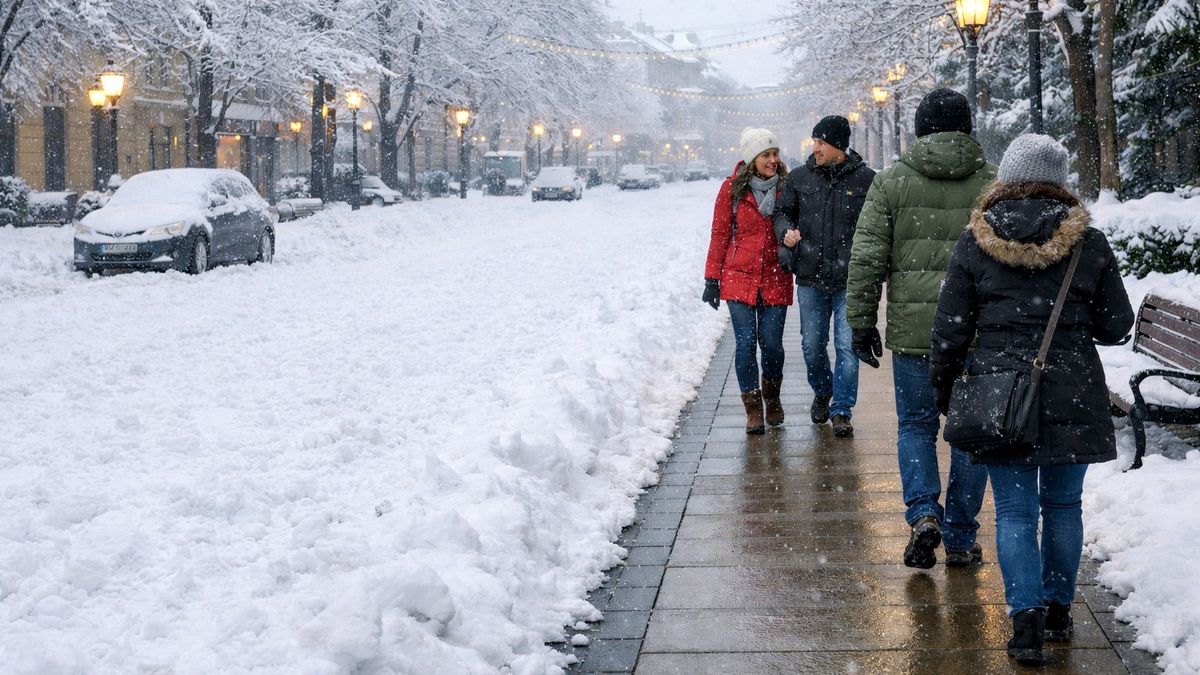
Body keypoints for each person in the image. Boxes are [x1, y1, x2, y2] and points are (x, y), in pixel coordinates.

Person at [929, 133, 1134, 664]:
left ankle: (1025, 623)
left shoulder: (976, 240)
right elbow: (1117, 327)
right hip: (1071, 388)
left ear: (1006, 178)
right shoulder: (1088, 242)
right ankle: (1059, 609)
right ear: (1061, 181)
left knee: (1016, 513)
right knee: (1064, 506)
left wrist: (945, 383)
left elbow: (951, 326)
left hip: (1001, 394)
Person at [845, 88, 995, 569]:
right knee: (972, 434)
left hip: (917, 333)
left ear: (918, 130)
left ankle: (924, 512)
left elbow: (866, 259)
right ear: (968, 128)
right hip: (979, 332)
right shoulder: (995, 184)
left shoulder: (891, 184)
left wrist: (861, 321)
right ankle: (959, 535)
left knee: (916, 425)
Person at [774, 115, 875, 437]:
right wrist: (785, 231)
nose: (814, 147)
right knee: (812, 346)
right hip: (810, 275)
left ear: (838, 146)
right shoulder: (800, 178)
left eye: (821, 142)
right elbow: (782, 212)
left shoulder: (867, 181)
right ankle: (822, 389)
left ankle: (842, 409)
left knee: (847, 347)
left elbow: (877, 225)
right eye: (814, 141)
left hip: (850, 279)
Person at [703, 128, 793, 434]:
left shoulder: (785, 188)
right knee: (744, 344)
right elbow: (719, 235)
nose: (772, 160)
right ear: (752, 158)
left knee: (772, 345)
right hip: (738, 277)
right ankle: (753, 408)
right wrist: (711, 278)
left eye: (775, 154)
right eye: (766, 155)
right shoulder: (731, 190)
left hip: (774, 276)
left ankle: (773, 397)